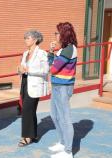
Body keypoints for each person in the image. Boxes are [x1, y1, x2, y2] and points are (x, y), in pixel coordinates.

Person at [48, 22, 78, 158]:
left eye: (57, 33)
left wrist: (53, 56)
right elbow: (53, 66)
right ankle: (62, 142)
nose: (55, 35)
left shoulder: (69, 49)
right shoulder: (63, 49)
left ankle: (68, 151)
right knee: (54, 115)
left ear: (64, 34)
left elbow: (53, 69)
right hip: (57, 85)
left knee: (65, 118)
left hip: (64, 87)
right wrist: (51, 52)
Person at [18, 30, 49, 147]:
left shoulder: (42, 53)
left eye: (28, 38)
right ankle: (34, 134)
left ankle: (26, 137)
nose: (25, 40)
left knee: (26, 110)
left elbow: (45, 71)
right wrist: (20, 70)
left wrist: (29, 70)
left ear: (35, 40)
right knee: (30, 111)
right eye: (25, 38)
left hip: (34, 85)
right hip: (25, 82)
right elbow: (23, 67)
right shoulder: (25, 53)